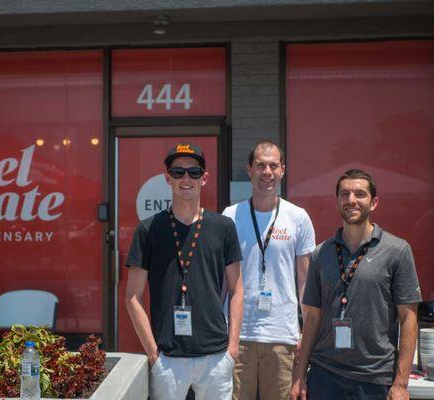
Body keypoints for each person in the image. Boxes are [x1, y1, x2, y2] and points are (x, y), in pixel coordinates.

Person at [125, 143, 244, 400]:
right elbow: (132, 297)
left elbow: (237, 290)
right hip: (168, 358)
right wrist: (153, 354)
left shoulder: (223, 227)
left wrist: (232, 349)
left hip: (215, 356)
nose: (186, 178)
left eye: (194, 172)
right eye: (178, 172)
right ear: (167, 178)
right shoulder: (148, 230)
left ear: (205, 177)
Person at [291, 169, 422, 400]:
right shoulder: (321, 253)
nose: (351, 200)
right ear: (337, 201)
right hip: (324, 375)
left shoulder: (397, 251)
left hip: (374, 379)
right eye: (345, 194)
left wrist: (401, 383)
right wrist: (300, 376)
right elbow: (312, 317)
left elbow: (409, 318)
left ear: (374, 202)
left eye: (360, 194)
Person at [222, 140, 316, 400]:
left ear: (283, 170)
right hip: (238, 337)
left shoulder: (298, 217)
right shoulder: (230, 216)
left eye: (273, 165)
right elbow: (222, 281)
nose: (267, 172)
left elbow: (305, 282)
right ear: (249, 169)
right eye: (260, 165)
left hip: (282, 336)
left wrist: (304, 335)